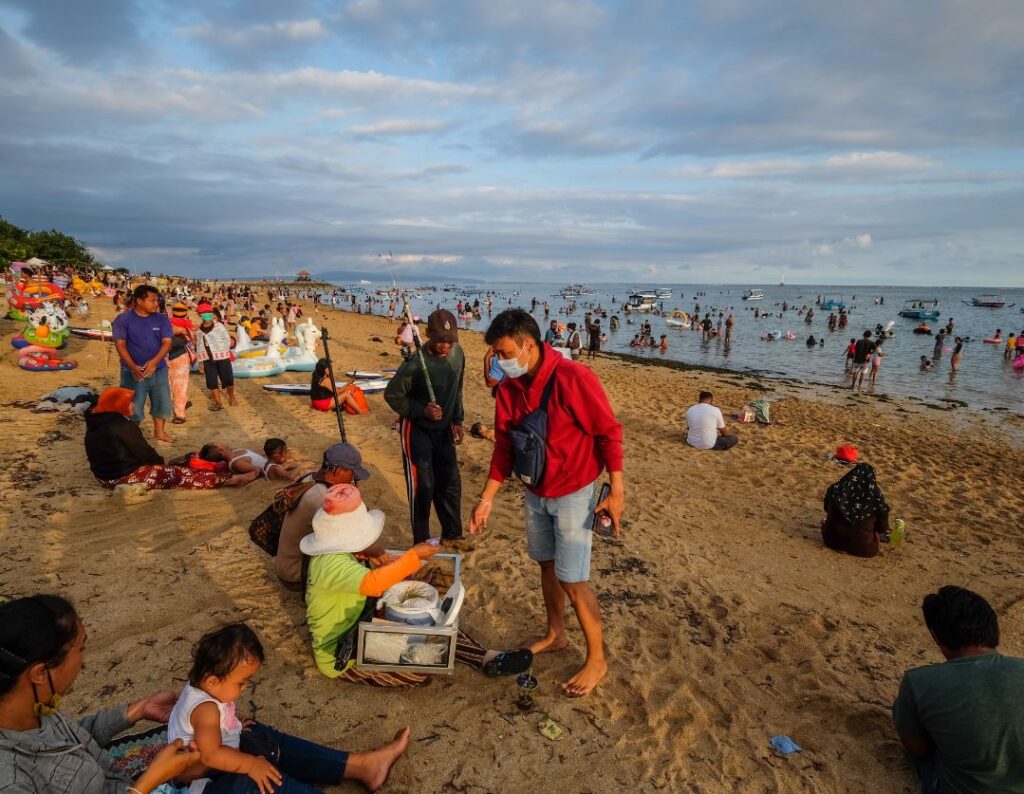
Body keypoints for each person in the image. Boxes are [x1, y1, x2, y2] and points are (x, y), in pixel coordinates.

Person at [469, 309, 624, 697]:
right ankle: (556, 634)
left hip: (574, 492)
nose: (499, 361)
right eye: (494, 354)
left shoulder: (574, 378)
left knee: (574, 578)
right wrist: (486, 499)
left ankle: (597, 659)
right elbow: (503, 447)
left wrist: (617, 492)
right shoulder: (508, 388)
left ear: (528, 345)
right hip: (535, 491)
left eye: (503, 352)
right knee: (546, 565)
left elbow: (609, 433)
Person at [304, 485, 533, 687]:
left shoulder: (340, 553)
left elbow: (368, 569)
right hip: (343, 652)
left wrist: (379, 555)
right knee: (419, 669)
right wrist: (412, 555)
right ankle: (468, 653)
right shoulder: (330, 563)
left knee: (425, 612)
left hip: (362, 618)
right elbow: (372, 583)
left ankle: (485, 657)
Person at [167, 622, 411, 792]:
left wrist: (234, 726)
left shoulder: (205, 693)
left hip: (218, 768)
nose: (243, 689)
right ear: (212, 681)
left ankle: (363, 767)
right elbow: (211, 755)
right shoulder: (206, 709)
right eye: (241, 682)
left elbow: (212, 730)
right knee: (261, 782)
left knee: (264, 738)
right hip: (208, 784)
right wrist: (251, 764)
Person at [0, 595, 203, 794]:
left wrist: (137, 710)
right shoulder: (10, 780)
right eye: (81, 648)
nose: (83, 660)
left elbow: (71, 738)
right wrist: (148, 783)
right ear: (41, 674)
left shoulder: (34, 709)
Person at [892, 585, 1024, 793]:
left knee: (902, 707)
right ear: (993, 628)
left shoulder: (919, 681)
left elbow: (918, 751)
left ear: (937, 638)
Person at [384, 309, 466, 546]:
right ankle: (420, 541)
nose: (445, 345)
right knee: (424, 486)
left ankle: (452, 535)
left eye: (450, 340)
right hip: (417, 430)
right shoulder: (414, 364)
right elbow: (393, 396)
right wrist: (421, 410)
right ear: (428, 334)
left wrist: (457, 420)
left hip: (445, 429)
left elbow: (457, 388)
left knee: (450, 481)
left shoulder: (458, 354)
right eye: (440, 339)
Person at [84, 387, 257, 490]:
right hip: (121, 476)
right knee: (180, 475)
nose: (134, 406)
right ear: (118, 405)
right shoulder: (121, 425)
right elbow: (143, 452)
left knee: (183, 460)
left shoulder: (97, 422)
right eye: (130, 402)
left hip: (105, 475)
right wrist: (161, 465)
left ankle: (214, 467)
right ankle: (232, 480)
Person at [275, 442, 370, 590]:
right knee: (351, 556)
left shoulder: (308, 477)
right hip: (295, 574)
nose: (353, 479)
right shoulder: (322, 499)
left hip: (285, 564)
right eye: (352, 473)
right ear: (338, 470)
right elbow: (349, 538)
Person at [112, 284, 173, 442]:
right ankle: (133, 437)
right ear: (139, 301)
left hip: (158, 369)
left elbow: (167, 342)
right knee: (133, 406)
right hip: (132, 371)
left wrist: (154, 362)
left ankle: (159, 432)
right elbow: (120, 345)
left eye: (157, 300)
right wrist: (132, 367)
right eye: (152, 300)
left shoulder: (161, 319)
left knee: (161, 402)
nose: (156, 304)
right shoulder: (123, 319)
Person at [820, 461, 889, 558]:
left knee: (827, 523)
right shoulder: (876, 497)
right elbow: (882, 528)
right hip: (864, 549)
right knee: (873, 535)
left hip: (831, 540)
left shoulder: (836, 489)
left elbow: (827, 509)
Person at [194, 301, 236, 411]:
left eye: (208, 312)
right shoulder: (199, 331)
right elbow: (199, 346)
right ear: (200, 315)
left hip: (222, 357)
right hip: (207, 359)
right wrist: (200, 362)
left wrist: (222, 352)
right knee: (212, 381)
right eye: (204, 312)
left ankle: (232, 396)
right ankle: (218, 403)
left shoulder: (219, 326)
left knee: (227, 379)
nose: (207, 314)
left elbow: (227, 340)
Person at [197, 439, 297, 481]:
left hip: (272, 462)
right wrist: (279, 466)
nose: (220, 442)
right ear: (219, 448)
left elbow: (256, 458)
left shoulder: (235, 452)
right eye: (217, 443)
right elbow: (260, 471)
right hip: (272, 468)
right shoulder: (237, 462)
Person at [167, 301, 195, 425]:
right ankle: (180, 413)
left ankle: (181, 409)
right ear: (185, 314)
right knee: (179, 385)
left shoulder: (166, 322)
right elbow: (192, 339)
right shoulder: (187, 325)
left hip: (166, 356)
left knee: (171, 384)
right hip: (180, 355)